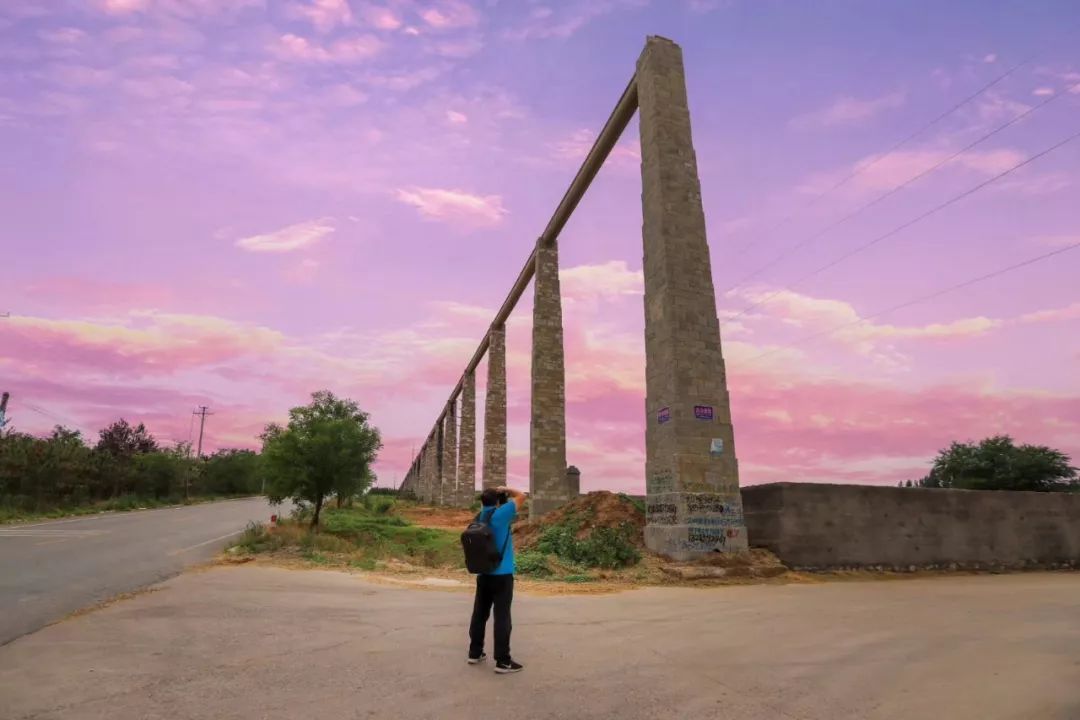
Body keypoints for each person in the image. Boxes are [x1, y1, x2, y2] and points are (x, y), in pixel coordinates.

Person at [467, 485, 526, 674]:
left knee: (479, 615)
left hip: (483, 574)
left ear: (482, 501)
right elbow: (522, 496)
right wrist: (507, 490)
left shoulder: (479, 517)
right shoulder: (501, 515)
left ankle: (475, 653)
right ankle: (503, 661)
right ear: (498, 500)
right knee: (502, 618)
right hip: (502, 576)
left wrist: (499, 497)